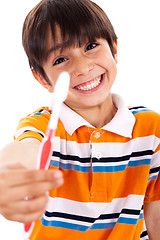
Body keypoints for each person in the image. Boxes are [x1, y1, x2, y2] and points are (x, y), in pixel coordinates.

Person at [0, 0, 160, 239]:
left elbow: (155, 216)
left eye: (91, 46)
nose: (83, 68)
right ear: (43, 79)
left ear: (114, 50)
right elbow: (24, 150)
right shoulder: (41, 124)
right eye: (60, 60)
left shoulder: (151, 128)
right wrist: (9, 176)